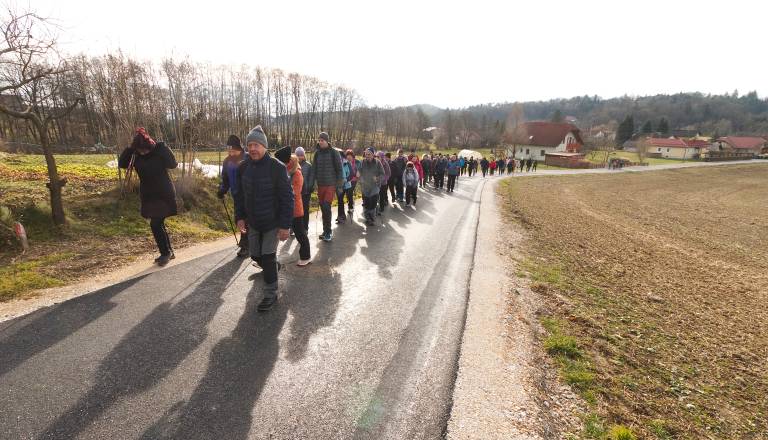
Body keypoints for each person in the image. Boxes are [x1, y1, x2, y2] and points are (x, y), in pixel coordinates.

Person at [234, 126, 293, 311]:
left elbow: (287, 198)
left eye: (257, 145)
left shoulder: (277, 167)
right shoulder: (243, 167)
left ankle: (271, 293)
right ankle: (273, 267)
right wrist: (240, 217)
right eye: (250, 144)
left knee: (267, 257)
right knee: (256, 255)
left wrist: (285, 226)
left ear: (265, 147)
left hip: (272, 223)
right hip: (253, 222)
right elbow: (240, 195)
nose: (252, 148)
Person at [118, 127, 178, 266]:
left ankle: (165, 253)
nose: (143, 152)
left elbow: (173, 164)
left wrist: (164, 147)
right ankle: (169, 251)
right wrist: (130, 149)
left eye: (144, 149)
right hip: (149, 195)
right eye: (140, 150)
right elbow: (122, 164)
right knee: (158, 223)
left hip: (164, 193)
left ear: (149, 146)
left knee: (155, 224)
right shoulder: (136, 155)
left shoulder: (159, 152)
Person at [275, 148, 311, 266]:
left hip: (295, 209)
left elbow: (295, 191)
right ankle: (268, 259)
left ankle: (306, 256)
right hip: (282, 208)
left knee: (300, 233)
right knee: (274, 233)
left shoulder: (297, 173)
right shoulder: (283, 172)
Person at [217, 135, 249, 258]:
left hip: (249, 195)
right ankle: (245, 241)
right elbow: (225, 179)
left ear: (240, 149)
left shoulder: (247, 159)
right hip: (236, 195)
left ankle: (246, 245)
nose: (231, 153)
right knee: (239, 219)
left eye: (233, 150)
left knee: (247, 220)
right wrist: (222, 190)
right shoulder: (227, 161)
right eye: (229, 151)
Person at [311, 132, 344, 242]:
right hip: (320, 185)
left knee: (326, 207)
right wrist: (312, 184)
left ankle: (329, 232)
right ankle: (325, 231)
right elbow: (313, 170)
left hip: (331, 184)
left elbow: (339, 169)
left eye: (322, 140)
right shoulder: (317, 154)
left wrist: (339, 185)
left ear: (327, 141)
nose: (320, 142)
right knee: (323, 209)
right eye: (319, 140)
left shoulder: (334, 153)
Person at [358, 147, 384, 226]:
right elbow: (359, 172)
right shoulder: (362, 162)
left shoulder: (378, 162)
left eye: (369, 154)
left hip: (375, 185)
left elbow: (382, 174)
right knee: (366, 202)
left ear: (373, 155)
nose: (367, 156)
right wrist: (359, 176)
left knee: (373, 201)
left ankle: (371, 218)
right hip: (365, 185)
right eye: (366, 154)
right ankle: (368, 217)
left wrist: (377, 178)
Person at [296, 147, 314, 234]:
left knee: (305, 210)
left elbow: (311, 178)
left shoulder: (308, 165)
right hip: (296, 192)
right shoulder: (293, 165)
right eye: (298, 155)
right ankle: (295, 227)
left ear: (304, 155)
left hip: (306, 191)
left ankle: (305, 227)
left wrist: (310, 187)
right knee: (295, 210)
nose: (300, 157)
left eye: (301, 155)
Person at [335, 150, 352, 224]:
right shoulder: (335, 163)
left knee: (341, 199)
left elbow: (352, 174)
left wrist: (346, 180)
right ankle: (341, 216)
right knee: (340, 200)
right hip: (338, 185)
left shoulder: (347, 162)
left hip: (346, 185)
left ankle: (341, 216)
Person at [344, 149, 360, 213]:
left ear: (352, 156)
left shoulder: (357, 162)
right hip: (347, 180)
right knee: (348, 194)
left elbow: (359, 170)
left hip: (354, 179)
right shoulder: (345, 162)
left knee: (349, 192)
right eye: (347, 155)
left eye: (350, 155)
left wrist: (358, 173)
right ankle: (351, 202)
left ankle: (350, 207)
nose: (348, 157)